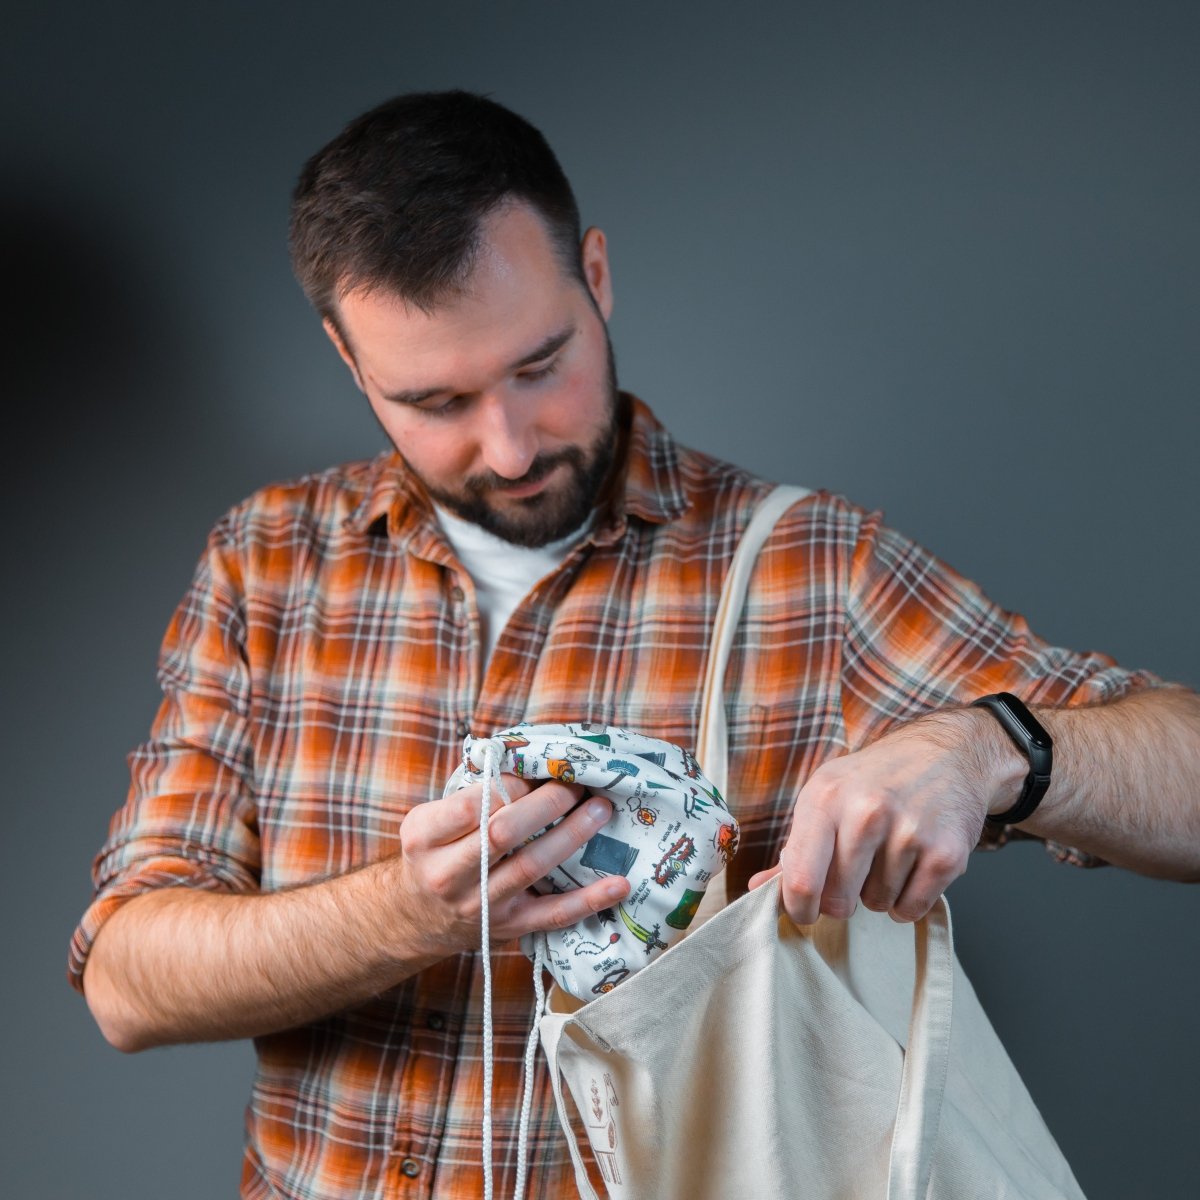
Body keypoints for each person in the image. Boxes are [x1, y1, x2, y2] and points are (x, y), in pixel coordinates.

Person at [70, 90, 1200, 1199]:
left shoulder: (811, 567)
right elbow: (128, 984)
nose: (508, 447)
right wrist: (411, 912)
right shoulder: (266, 562)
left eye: (538, 365)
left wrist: (987, 751)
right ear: (347, 359)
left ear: (596, 277)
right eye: (434, 400)